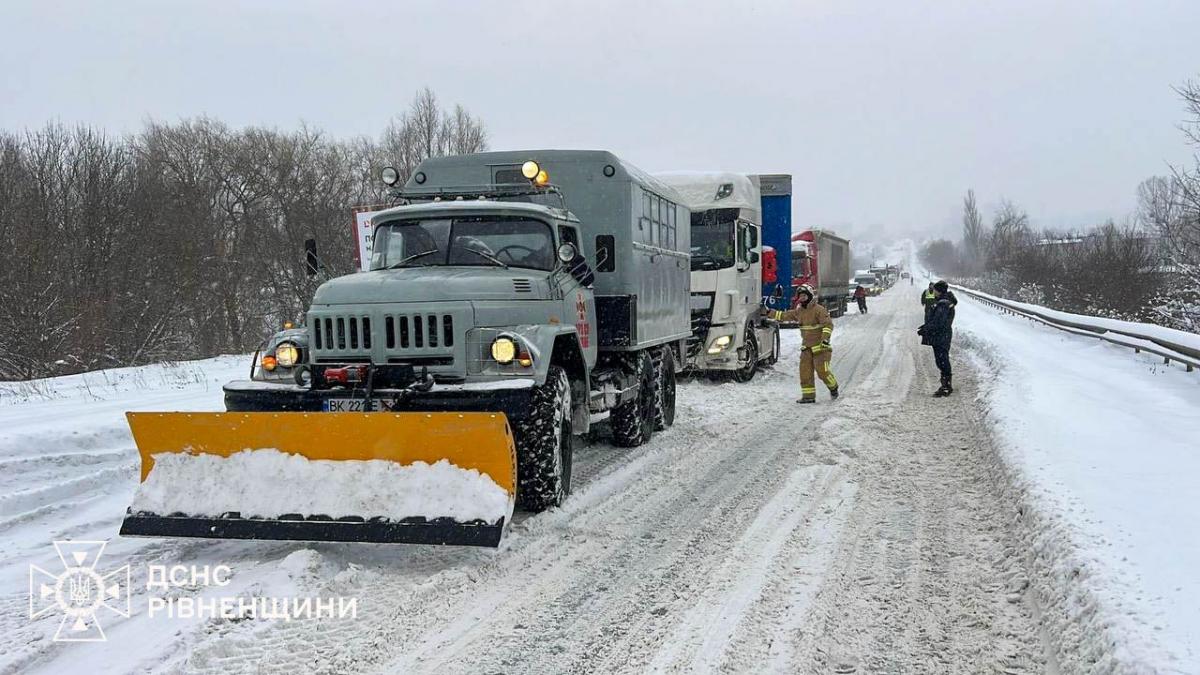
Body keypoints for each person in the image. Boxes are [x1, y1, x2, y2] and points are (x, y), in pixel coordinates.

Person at [767, 284, 838, 403]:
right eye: (800, 296)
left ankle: (833, 387)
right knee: (805, 373)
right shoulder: (799, 311)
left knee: (822, 372)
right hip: (807, 348)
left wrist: (825, 339)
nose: (802, 298)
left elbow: (828, 325)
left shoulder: (819, 310)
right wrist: (769, 312)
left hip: (821, 348)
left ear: (810, 296)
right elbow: (784, 316)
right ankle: (808, 396)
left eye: (805, 296)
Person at [919, 280, 956, 396]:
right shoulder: (944, 302)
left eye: (935, 289)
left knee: (942, 360)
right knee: (941, 359)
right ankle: (945, 384)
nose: (933, 291)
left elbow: (938, 322)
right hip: (942, 335)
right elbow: (937, 321)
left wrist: (926, 329)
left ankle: (946, 386)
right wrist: (925, 327)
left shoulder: (943, 304)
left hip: (941, 336)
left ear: (939, 291)